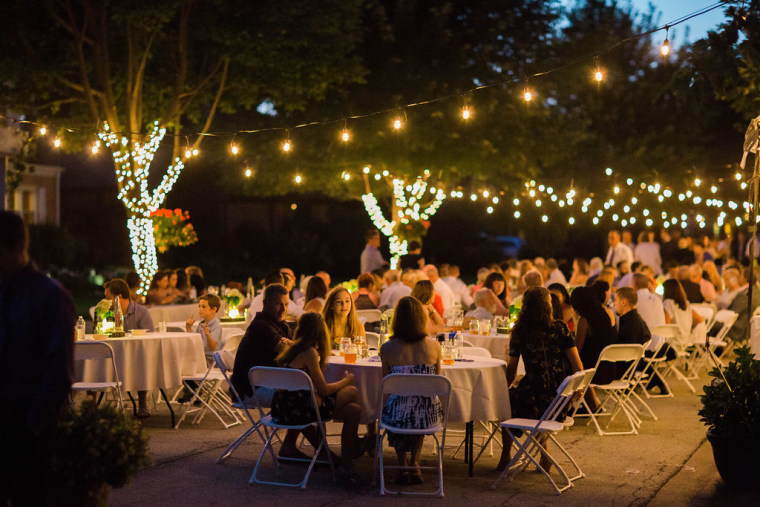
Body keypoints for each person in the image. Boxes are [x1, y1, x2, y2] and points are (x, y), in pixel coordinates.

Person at [0, 211, 75, 504]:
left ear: (16, 248)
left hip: (26, 427)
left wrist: (32, 425)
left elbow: (59, 369)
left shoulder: (49, 296)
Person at [497, 287, 583, 472]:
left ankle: (506, 455)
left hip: (535, 397)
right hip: (559, 401)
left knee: (506, 404)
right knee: (537, 409)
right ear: (548, 306)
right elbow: (578, 367)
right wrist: (577, 391)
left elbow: (511, 371)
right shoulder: (561, 328)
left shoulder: (520, 332)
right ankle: (544, 456)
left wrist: (501, 391)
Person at [274, 313, 363, 482]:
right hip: (299, 411)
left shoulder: (293, 349)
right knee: (352, 391)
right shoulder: (309, 352)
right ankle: (353, 449)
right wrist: (345, 381)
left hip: (283, 408)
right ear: (321, 332)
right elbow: (323, 390)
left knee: (353, 410)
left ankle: (346, 463)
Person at [379, 296, 443, 485]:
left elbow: (386, 384)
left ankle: (402, 464)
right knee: (421, 403)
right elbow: (436, 384)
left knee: (398, 405)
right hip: (428, 416)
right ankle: (415, 463)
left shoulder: (387, 348)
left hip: (398, 415)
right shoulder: (434, 346)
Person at [104, 278, 156, 417]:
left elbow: (150, 337)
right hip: (113, 354)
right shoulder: (107, 313)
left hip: (135, 355)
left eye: (108, 297)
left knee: (142, 361)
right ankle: (91, 405)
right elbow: (99, 333)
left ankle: (142, 403)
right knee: (94, 359)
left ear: (118, 297)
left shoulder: (141, 312)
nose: (106, 300)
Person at [571, 285, 616, 409]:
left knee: (572, 364)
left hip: (593, 372)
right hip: (610, 369)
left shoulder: (584, 321)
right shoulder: (606, 314)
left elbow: (576, 350)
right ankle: (591, 405)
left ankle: (570, 406)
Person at [185, 293, 223, 358]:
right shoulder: (201, 324)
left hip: (210, 359)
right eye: (199, 306)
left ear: (213, 309)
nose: (200, 309)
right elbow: (195, 343)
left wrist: (207, 335)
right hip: (201, 356)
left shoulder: (216, 325)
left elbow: (212, 348)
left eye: (203, 307)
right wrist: (189, 328)